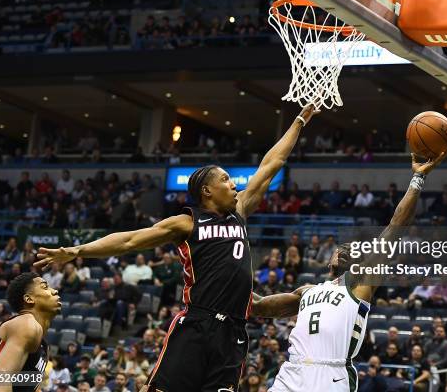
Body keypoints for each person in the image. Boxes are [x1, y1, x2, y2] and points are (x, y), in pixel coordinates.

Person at [36, 104, 320, 392]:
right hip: (197, 323)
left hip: (233, 331)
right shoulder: (186, 222)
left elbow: (272, 164)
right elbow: (129, 240)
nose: (234, 184)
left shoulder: (241, 210)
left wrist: (298, 121)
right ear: (206, 191)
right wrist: (76, 251)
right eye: (225, 179)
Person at [252, 151, 447, 392]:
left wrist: (417, 179)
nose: (347, 250)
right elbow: (259, 305)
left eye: (354, 250)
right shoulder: (306, 291)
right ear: (328, 262)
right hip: (292, 371)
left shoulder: (360, 284)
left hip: (331, 374)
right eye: (342, 248)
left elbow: (396, 228)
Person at [0, 272, 61, 392]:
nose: (55, 291)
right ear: (29, 299)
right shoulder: (26, 324)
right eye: (45, 287)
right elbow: (0, 378)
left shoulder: (43, 346)